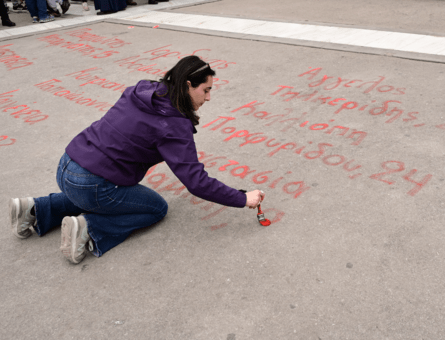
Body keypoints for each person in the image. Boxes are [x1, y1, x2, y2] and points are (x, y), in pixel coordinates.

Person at [9, 56, 265, 265]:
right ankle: (89, 227)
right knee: (155, 208)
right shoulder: (174, 125)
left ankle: (35, 208)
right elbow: (196, 182)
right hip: (91, 183)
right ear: (188, 85)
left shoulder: (143, 90)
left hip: (67, 163)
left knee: (96, 190)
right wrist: (243, 198)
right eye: (206, 90)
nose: (208, 98)